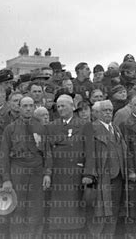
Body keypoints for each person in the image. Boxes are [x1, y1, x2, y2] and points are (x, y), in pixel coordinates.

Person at [0, 96, 51, 239]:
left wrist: (47, 173)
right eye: (25, 106)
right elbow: (3, 156)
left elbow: (47, 153)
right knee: (17, 211)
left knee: (36, 211)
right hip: (18, 173)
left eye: (31, 105)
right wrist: (6, 179)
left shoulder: (41, 128)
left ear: (34, 107)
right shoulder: (10, 129)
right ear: (19, 108)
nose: (28, 108)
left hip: (37, 173)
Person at [46, 94, 95, 234]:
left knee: (75, 214)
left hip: (76, 174)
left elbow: (90, 151)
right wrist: (48, 173)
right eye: (58, 106)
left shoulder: (85, 125)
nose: (60, 109)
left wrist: (89, 174)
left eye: (63, 106)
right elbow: (48, 152)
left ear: (72, 107)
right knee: (58, 214)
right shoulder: (52, 126)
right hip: (58, 175)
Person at [88, 100, 127, 238]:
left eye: (110, 110)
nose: (108, 113)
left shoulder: (116, 128)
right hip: (102, 177)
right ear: (98, 113)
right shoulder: (93, 128)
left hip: (118, 176)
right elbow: (89, 154)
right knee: (100, 211)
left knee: (114, 210)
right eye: (105, 110)